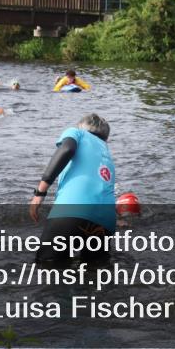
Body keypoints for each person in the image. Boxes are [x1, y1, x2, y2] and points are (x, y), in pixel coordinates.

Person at [29, 113, 116, 264]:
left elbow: (67, 148)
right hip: (106, 221)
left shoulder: (77, 133)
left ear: (82, 126)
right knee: (94, 274)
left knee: (48, 267)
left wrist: (40, 192)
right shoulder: (106, 152)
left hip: (73, 211)